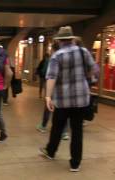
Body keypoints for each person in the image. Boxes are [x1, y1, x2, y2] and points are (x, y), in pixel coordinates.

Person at [40, 26, 96, 172]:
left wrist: (47, 96)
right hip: (81, 98)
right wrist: (86, 78)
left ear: (59, 41)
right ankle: (75, 163)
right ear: (72, 39)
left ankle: (51, 151)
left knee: (57, 127)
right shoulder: (83, 52)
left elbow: (51, 77)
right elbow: (94, 69)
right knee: (77, 131)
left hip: (62, 100)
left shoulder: (57, 56)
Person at [36, 42, 70, 140]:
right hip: (65, 87)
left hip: (54, 87)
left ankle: (43, 126)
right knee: (64, 109)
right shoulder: (66, 58)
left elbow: (50, 75)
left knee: (48, 106)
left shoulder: (54, 58)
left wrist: (48, 94)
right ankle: (65, 132)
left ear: (53, 49)